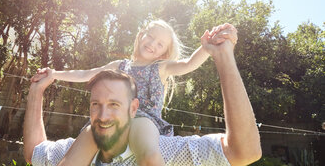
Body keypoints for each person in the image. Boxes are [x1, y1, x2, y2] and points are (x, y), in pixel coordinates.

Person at [23, 25, 262, 165]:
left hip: (144, 120)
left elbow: (189, 64)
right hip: (111, 122)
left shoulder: (160, 67)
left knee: (148, 150)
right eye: (151, 37)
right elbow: (88, 73)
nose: (153, 45)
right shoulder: (120, 65)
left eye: (160, 44)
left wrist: (208, 46)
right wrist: (54, 74)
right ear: (140, 36)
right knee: (86, 136)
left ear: (164, 52)